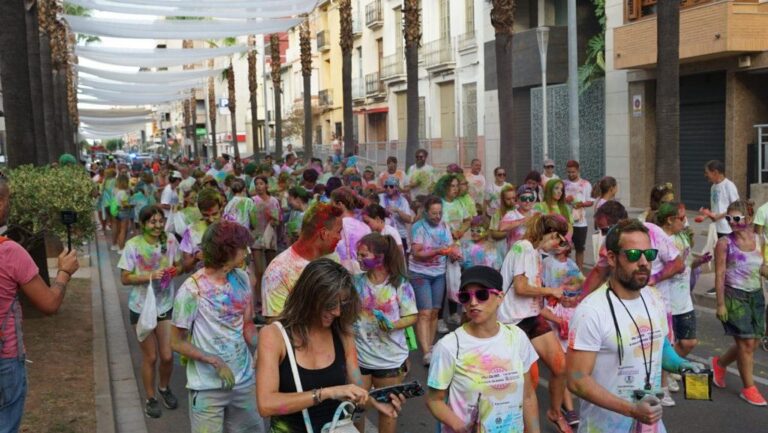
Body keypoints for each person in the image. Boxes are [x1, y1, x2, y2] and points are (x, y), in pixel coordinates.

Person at [567, 219, 703, 433]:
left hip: (650, 425)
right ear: (611, 258)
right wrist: (631, 410)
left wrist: (682, 365)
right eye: (633, 255)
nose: (643, 262)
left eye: (649, 255)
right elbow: (577, 381)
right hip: (605, 428)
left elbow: (660, 346)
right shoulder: (591, 311)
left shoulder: (654, 297)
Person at [256, 259, 405, 433]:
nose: (337, 312)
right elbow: (266, 405)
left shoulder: (343, 334)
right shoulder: (274, 336)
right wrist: (326, 393)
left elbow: (356, 390)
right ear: (309, 297)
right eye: (330, 305)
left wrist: (375, 401)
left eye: (342, 304)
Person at [0, 176, 80, 433]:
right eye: (8, 199)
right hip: (5, 360)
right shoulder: (10, 252)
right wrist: (64, 273)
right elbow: (49, 303)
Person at [171, 221, 264, 432]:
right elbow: (176, 342)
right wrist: (214, 361)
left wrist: (261, 345)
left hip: (243, 381)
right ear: (227, 252)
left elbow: (247, 324)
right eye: (242, 248)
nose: (248, 251)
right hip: (207, 389)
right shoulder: (191, 290)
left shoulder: (242, 279)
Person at [426, 266, 540, 433]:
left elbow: (528, 396)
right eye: (465, 297)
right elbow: (433, 400)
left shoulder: (517, 338)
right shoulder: (449, 346)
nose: (473, 303)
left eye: (482, 295)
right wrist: (460, 426)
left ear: (500, 297)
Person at [498, 213, 573, 433]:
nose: (558, 245)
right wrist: (550, 290)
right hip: (512, 322)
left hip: (531, 316)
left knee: (560, 366)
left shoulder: (536, 254)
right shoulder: (523, 248)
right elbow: (520, 288)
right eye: (557, 239)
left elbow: (532, 296)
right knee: (529, 382)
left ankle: (555, 412)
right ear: (547, 233)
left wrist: (553, 310)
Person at [118, 205, 183, 418]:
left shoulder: (171, 240)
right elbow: (125, 278)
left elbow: (180, 266)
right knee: (151, 357)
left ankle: (164, 388)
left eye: (159, 221)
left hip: (164, 305)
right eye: (152, 222)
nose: (157, 226)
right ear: (143, 224)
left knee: (166, 355)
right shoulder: (133, 245)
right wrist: (149, 276)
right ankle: (150, 397)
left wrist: (173, 271)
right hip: (140, 307)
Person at [353, 234, 418, 433]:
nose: (359, 258)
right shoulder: (356, 282)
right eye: (358, 254)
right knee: (356, 408)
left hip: (389, 361)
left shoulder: (400, 284)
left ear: (380, 257)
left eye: (364, 254)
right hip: (360, 359)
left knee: (388, 410)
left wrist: (392, 325)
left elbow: (412, 316)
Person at [712, 200, 767, 405]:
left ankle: (720, 363)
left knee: (752, 342)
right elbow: (719, 274)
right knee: (745, 343)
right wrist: (720, 304)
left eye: (736, 218)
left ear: (749, 218)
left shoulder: (760, 240)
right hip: (734, 296)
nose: (732, 223)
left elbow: (761, 268)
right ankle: (749, 388)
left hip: (756, 296)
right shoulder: (724, 243)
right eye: (729, 219)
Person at [262, 202, 344, 319]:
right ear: (324, 234)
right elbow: (275, 324)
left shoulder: (332, 258)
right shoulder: (278, 271)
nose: (340, 238)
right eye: (338, 232)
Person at [654, 203, 710, 373]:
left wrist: (697, 262)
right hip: (666, 301)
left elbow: (685, 264)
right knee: (667, 343)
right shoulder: (659, 240)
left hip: (684, 300)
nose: (685, 221)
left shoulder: (682, 237)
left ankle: (666, 369)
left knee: (689, 342)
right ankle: (663, 374)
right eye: (682, 218)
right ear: (670, 220)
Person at [409, 196, 460, 366]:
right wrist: (438, 251)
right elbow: (416, 252)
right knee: (424, 312)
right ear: (425, 212)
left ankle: (430, 347)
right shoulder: (418, 227)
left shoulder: (444, 226)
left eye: (440, 213)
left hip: (439, 273)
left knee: (434, 312)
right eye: (434, 213)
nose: (437, 216)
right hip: (420, 273)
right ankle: (425, 352)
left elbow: (450, 246)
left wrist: (454, 253)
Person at [540, 239, 584, 427]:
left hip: (572, 345)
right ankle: (568, 408)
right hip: (551, 305)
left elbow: (579, 282)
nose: (568, 298)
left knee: (567, 373)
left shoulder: (580, 308)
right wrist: (558, 319)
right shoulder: (546, 262)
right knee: (561, 371)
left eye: (562, 243)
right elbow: (541, 309)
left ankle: (565, 407)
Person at [180, 188, 223, 272]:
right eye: (206, 215)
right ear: (200, 211)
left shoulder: (233, 226)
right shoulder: (191, 231)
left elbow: (245, 259)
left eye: (215, 214)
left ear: (221, 208)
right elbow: (186, 268)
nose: (211, 219)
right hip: (202, 283)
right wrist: (196, 258)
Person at [331, 187, 371, 274]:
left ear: (340, 204)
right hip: (361, 274)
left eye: (332, 203)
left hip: (338, 274)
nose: (330, 206)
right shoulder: (365, 227)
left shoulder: (335, 226)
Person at [563, 160, 593, 271]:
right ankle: (566, 270)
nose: (571, 174)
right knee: (565, 248)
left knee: (580, 248)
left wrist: (582, 204)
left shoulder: (586, 184)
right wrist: (565, 200)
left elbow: (590, 201)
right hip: (565, 222)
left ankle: (579, 271)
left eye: (573, 172)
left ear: (578, 171)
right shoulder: (563, 184)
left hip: (580, 222)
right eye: (569, 172)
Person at [490, 185, 535, 250]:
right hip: (506, 248)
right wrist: (512, 229)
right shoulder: (502, 213)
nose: (512, 201)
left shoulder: (535, 213)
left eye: (531, 198)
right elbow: (495, 233)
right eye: (508, 199)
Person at [379, 177, 415, 251]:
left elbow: (409, 219)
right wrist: (384, 212)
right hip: (385, 234)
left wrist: (398, 211)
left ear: (397, 187)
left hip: (400, 234)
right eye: (386, 186)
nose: (388, 188)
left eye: (391, 186)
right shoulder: (381, 198)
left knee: (401, 259)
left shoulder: (403, 201)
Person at [113, 174, 133, 254]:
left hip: (117, 212)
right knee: (123, 230)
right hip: (124, 212)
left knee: (119, 229)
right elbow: (124, 204)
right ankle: (121, 248)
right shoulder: (123, 193)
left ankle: (118, 244)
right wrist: (131, 205)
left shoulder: (117, 191)